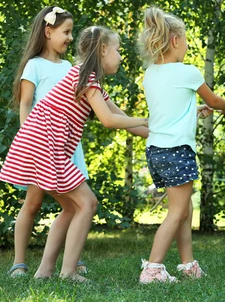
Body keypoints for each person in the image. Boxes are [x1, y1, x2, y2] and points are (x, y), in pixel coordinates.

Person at [0, 25, 148, 282]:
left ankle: (44, 272)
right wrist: (149, 118)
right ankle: (68, 272)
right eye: (118, 50)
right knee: (87, 203)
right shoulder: (85, 77)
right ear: (103, 50)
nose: (121, 56)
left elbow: (128, 122)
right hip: (44, 145)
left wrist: (173, 123)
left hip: (42, 145)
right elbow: (109, 121)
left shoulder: (88, 80)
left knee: (72, 208)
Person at [136, 6, 225, 284]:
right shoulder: (188, 72)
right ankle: (153, 269)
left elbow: (168, 112)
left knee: (185, 208)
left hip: (157, 151)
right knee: (177, 212)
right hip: (178, 151)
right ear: (176, 41)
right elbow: (216, 101)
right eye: (187, 40)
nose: (187, 45)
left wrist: (192, 110)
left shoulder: (151, 73)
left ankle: (188, 265)